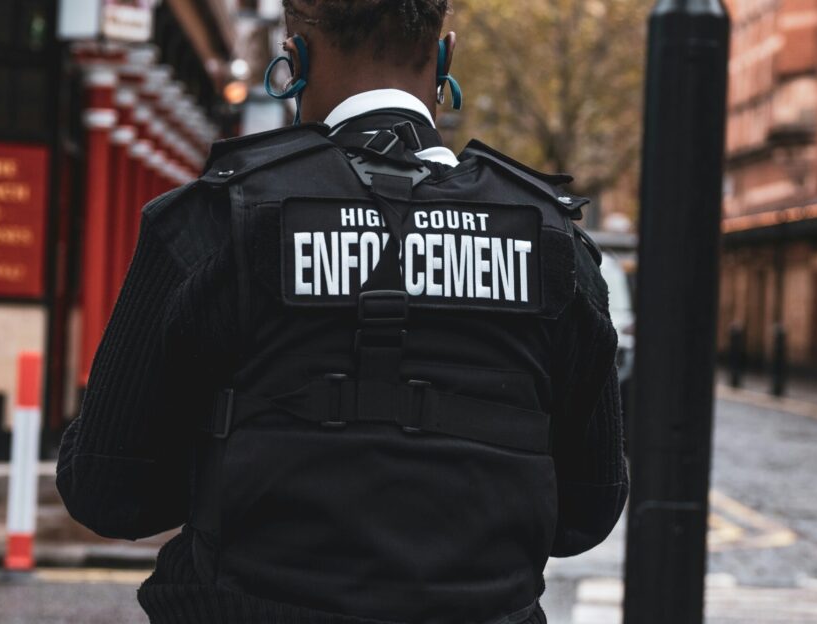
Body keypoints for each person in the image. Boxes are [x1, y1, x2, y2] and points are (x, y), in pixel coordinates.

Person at [56, 1, 627, 622]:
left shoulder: (210, 222)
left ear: (294, 58)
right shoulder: (555, 244)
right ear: (444, 58)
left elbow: (106, 491)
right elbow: (588, 511)